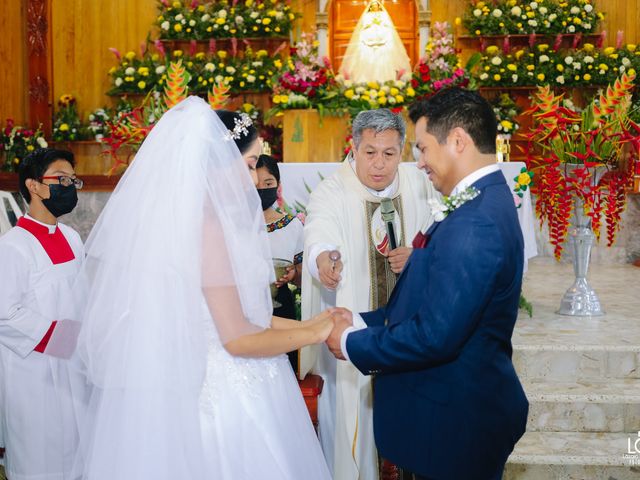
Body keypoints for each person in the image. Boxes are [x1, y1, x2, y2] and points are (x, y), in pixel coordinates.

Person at [72, 98, 332, 480]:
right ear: (217, 162)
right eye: (248, 165)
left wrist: (310, 324)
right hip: (221, 392)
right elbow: (238, 339)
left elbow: (239, 316)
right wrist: (314, 332)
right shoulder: (209, 229)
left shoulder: (189, 221)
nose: (256, 179)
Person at [327, 88, 529, 480]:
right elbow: (435, 298)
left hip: (455, 423)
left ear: (457, 141)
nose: (418, 163)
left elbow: (436, 335)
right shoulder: (475, 201)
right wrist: (363, 319)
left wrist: (352, 342)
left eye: (422, 148)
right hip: (450, 412)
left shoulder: (476, 222)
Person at [300, 108, 438, 479]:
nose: (379, 164)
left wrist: (420, 256)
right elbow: (318, 231)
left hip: (412, 333)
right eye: (370, 152)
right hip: (356, 331)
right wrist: (323, 259)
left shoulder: (420, 185)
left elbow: (443, 236)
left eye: (389, 154)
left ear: (403, 152)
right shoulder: (333, 191)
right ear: (354, 148)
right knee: (354, 422)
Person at [0, 148, 84, 480]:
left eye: (72, 180)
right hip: (34, 373)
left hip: (74, 367)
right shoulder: (13, 247)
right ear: (34, 186)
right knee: (40, 460)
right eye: (61, 179)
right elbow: (4, 313)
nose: (70, 186)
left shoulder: (73, 238)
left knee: (76, 453)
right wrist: (59, 337)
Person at [256, 154, 304, 371]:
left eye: (268, 184)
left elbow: (305, 280)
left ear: (278, 186)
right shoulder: (232, 226)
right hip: (244, 309)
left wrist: (293, 275)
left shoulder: (292, 226)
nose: (262, 190)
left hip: (281, 308)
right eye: (255, 184)